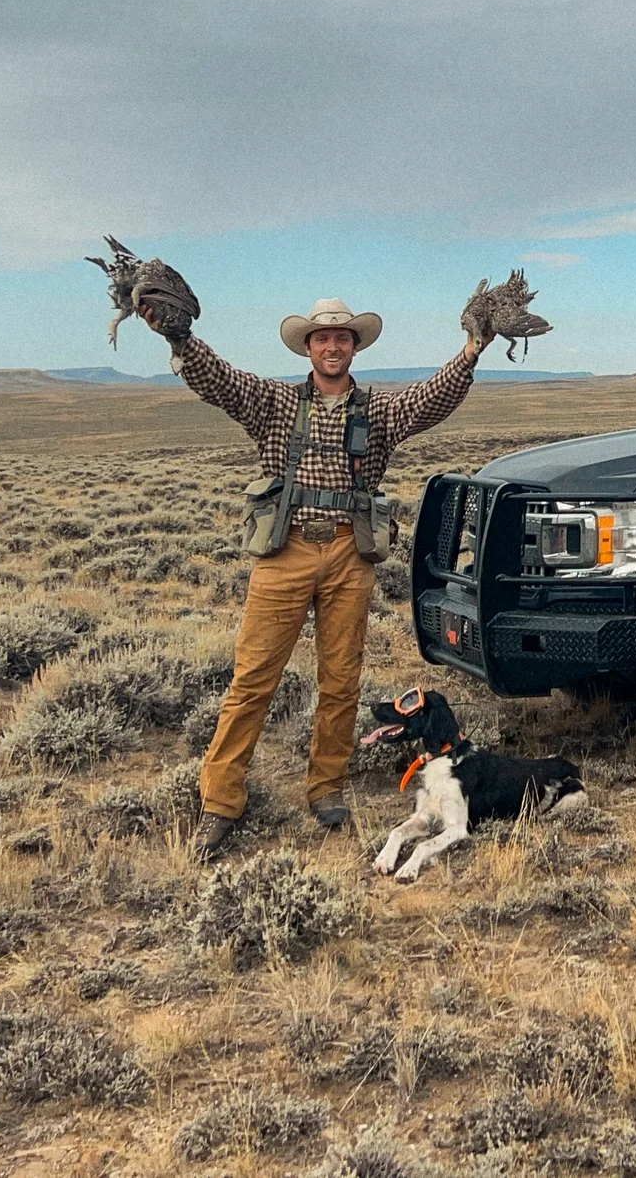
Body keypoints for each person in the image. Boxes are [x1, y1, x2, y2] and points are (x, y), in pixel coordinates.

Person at [147, 293, 482, 859]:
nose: (332, 345)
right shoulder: (274, 402)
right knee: (252, 680)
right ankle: (221, 801)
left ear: (355, 347)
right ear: (308, 347)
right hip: (285, 554)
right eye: (322, 338)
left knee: (341, 681)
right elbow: (218, 380)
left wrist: (472, 349)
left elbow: (432, 399)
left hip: (351, 555)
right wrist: (178, 338)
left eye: (343, 338)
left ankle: (326, 789)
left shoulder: (377, 410)